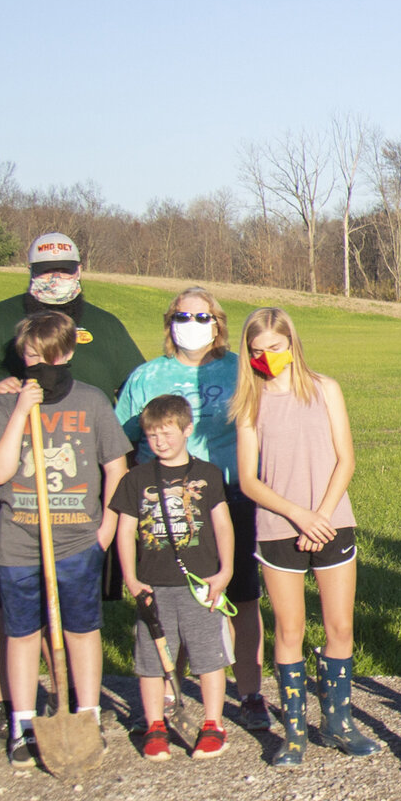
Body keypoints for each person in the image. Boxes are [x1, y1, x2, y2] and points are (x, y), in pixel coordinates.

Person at [0, 232, 146, 747]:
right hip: (19, 491)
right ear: (29, 268)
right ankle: (7, 707)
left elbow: (137, 389)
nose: (55, 278)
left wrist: (118, 494)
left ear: (81, 268)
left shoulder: (104, 325)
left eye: (66, 267)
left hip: (84, 501)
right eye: (45, 268)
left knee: (82, 612)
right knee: (10, 606)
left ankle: (80, 707)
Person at [0, 310, 131, 769]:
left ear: (66, 354)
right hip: (19, 542)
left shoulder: (90, 402)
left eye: (47, 358)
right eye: (29, 358)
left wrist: (105, 530)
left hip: (77, 542)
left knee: (82, 630)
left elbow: (115, 468)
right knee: (22, 634)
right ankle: (23, 723)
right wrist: (23, 410)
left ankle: (87, 714)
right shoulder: (5, 405)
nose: (38, 367)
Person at [114, 287, 267, 731]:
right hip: (161, 502)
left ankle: (252, 691)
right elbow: (120, 443)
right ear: (170, 322)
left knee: (239, 596)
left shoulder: (239, 370)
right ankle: (168, 689)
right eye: (184, 316)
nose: (193, 325)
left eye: (204, 318)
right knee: (168, 599)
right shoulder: (146, 376)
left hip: (229, 496)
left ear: (218, 324)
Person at [233, 306, 367, 767]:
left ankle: (338, 723)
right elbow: (249, 480)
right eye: (257, 351)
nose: (267, 357)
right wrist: (297, 516)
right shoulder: (249, 404)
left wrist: (322, 516)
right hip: (278, 529)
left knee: (340, 626)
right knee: (289, 629)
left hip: (332, 523)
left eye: (275, 348)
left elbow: (345, 459)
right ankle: (294, 733)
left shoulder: (326, 389)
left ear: (292, 344)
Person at [110, 394, 236, 761]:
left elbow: (223, 525)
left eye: (167, 433)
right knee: (152, 660)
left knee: (209, 658)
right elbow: (125, 532)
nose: (160, 442)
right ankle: (154, 725)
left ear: (187, 430)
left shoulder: (208, 475)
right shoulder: (136, 479)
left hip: (200, 585)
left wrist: (224, 572)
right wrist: (130, 578)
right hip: (153, 583)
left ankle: (213, 724)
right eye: (152, 436)